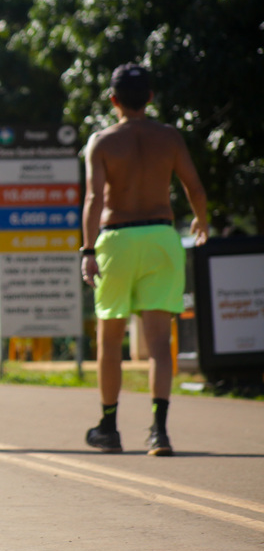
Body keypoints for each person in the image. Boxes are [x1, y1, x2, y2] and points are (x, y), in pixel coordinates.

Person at [81, 63, 208, 456]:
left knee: (110, 341)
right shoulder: (168, 137)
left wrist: (88, 250)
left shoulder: (102, 142)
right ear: (150, 97)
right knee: (158, 343)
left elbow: (94, 199)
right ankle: (159, 431)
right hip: (160, 238)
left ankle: (108, 427)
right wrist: (202, 220)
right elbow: (194, 186)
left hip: (116, 239)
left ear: (113, 100)